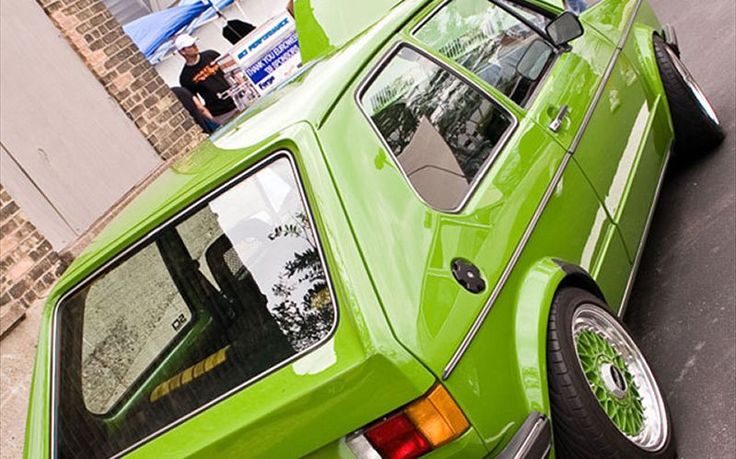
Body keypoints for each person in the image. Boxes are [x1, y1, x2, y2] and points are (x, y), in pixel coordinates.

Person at [175, 33, 238, 126]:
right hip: (220, 112)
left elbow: (233, 70)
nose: (195, 47)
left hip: (237, 98)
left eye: (194, 44)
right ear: (183, 51)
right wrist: (213, 121)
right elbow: (197, 104)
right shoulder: (185, 77)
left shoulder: (211, 55)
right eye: (190, 46)